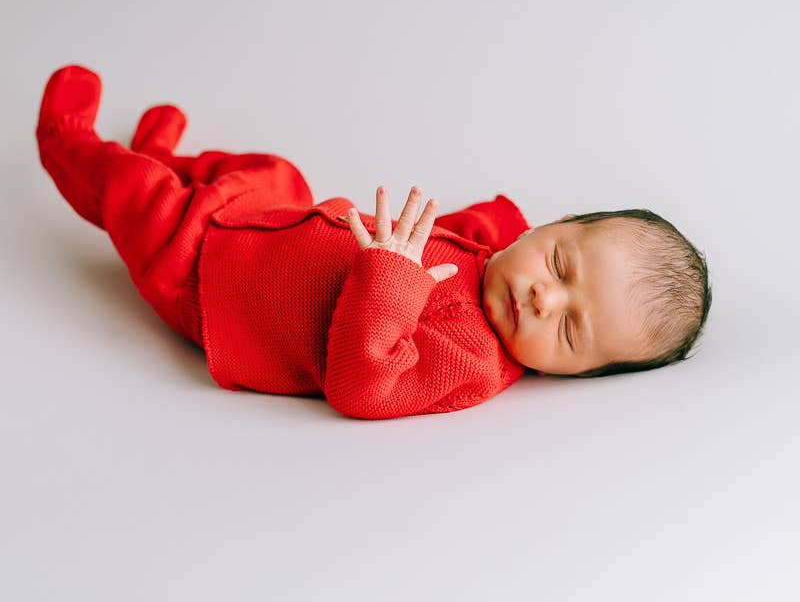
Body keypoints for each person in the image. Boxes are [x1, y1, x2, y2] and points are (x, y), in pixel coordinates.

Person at [35, 65, 712, 420]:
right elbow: (475, 236)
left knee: (139, 199)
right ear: (548, 228)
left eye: (568, 330)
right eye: (560, 263)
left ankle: (71, 145)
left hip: (214, 287)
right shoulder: (500, 264)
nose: (542, 297)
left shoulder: (470, 361)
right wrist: (499, 217)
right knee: (272, 171)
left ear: (580, 376)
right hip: (280, 217)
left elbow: (363, 388)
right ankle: (166, 155)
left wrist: (391, 278)